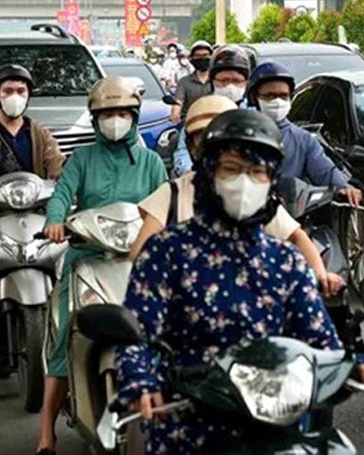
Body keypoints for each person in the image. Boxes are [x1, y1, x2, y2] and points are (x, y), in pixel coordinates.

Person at [114, 109, 364, 454]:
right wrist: (139, 378)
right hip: (187, 423)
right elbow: (137, 331)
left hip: (276, 424)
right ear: (208, 174)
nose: (244, 182)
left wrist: (357, 365)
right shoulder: (166, 252)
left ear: (271, 181)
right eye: (231, 169)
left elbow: (321, 344)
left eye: (257, 173)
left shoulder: (285, 262)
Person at [35, 77, 167, 455]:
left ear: (134, 116)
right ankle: (46, 428)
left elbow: (165, 201)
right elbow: (62, 195)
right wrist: (55, 221)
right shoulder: (82, 159)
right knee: (64, 336)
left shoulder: (151, 161)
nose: (115, 119)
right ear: (95, 119)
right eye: (107, 113)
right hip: (88, 257)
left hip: (138, 260)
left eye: (122, 112)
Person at [131, 95, 345, 297]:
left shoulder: (253, 195)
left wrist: (319, 274)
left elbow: (296, 236)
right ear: (191, 147)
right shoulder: (173, 193)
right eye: (205, 140)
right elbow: (141, 253)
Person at [246, 61, 362, 207]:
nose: (277, 101)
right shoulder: (240, 134)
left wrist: (343, 187)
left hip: (291, 215)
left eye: (283, 96)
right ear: (253, 97)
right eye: (270, 96)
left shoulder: (304, 140)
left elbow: (324, 170)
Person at [172, 45, 251, 176]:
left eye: (236, 81)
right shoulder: (201, 110)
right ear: (213, 81)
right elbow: (182, 152)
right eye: (223, 80)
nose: (230, 86)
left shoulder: (254, 115)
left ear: (246, 83)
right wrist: (195, 175)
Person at [0, 65, 64, 179]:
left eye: (20, 91)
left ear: (28, 95)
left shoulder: (40, 134)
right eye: (7, 91)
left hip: (34, 195)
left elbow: (56, 163)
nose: (14, 97)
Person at [168, 40, 213, 124]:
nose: (202, 59)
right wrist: (175, 114)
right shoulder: (184, 82)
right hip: (190, 124)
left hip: (214, 124)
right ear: (192, 59)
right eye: (198, 56)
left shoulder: (217, 80)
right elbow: (178, 102)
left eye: (205, 55)